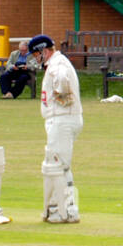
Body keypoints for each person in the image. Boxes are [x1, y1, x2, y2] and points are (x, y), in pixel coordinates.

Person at [30, 34, 82, 222]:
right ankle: (58, 208)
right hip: (62, 120)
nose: (36, 58)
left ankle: (66, 210)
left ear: (44, 51)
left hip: (62, 120)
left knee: (58, 165)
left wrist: (61, 95)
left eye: (36, 54)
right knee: (57, 165)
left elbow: (63, 81)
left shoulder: (57, 65)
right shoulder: (55, 64)